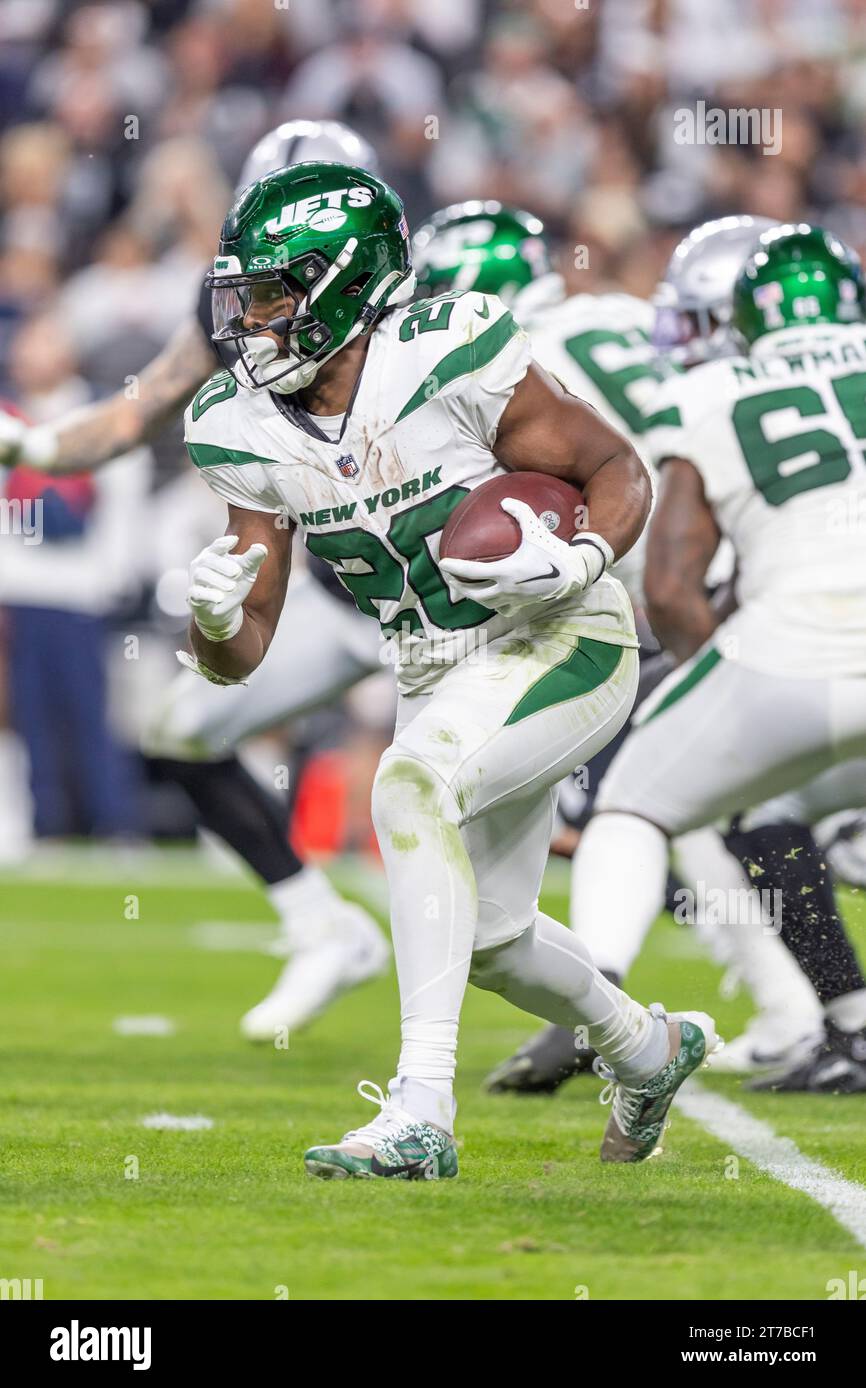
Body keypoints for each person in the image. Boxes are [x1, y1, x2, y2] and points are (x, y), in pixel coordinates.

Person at [181, 158, 717, 1179]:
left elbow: (613, 470)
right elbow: (237, 654)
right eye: (242, 296)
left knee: (409, 780)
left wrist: (582, 555)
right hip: (433, 667)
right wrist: (210, 619)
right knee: (492, 937)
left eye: (269, 293)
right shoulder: (236, 425)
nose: (248, 320)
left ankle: (419, 1110)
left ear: (344, 282)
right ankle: (648, 1048)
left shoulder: (447, 349)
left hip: (564, 635)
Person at [0, 120, 391, 1039]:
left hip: (441, 597)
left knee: (443, 812)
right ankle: (320, 926)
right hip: (333, 594)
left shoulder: (432, 314)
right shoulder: (235, 300)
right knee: (181, 732)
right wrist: (34, 444)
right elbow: (144, 407)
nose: (270, 283)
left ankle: (597, 1006)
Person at [565, 223, 866, 1095]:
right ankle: (849, 1020)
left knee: (633, 804)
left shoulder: (713, 389)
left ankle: (605, 1010)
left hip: (788, 653)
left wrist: (716, 679)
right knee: (762, 816)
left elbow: (669, 586)